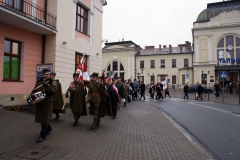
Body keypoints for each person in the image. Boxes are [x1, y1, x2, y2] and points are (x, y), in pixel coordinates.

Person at [31, 68, 56, 143]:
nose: (47, 76)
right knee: (42, 118)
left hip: (48, 102)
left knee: (45, 118)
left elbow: (54, 92)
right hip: (40, 102)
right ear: (43, 75)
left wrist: (48, 86)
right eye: (46, 74)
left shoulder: (53, 82)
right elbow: (34, 90)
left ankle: (42, 135)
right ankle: (49, 128)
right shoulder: (39, 82)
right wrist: (31, 97)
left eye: (48, 74)